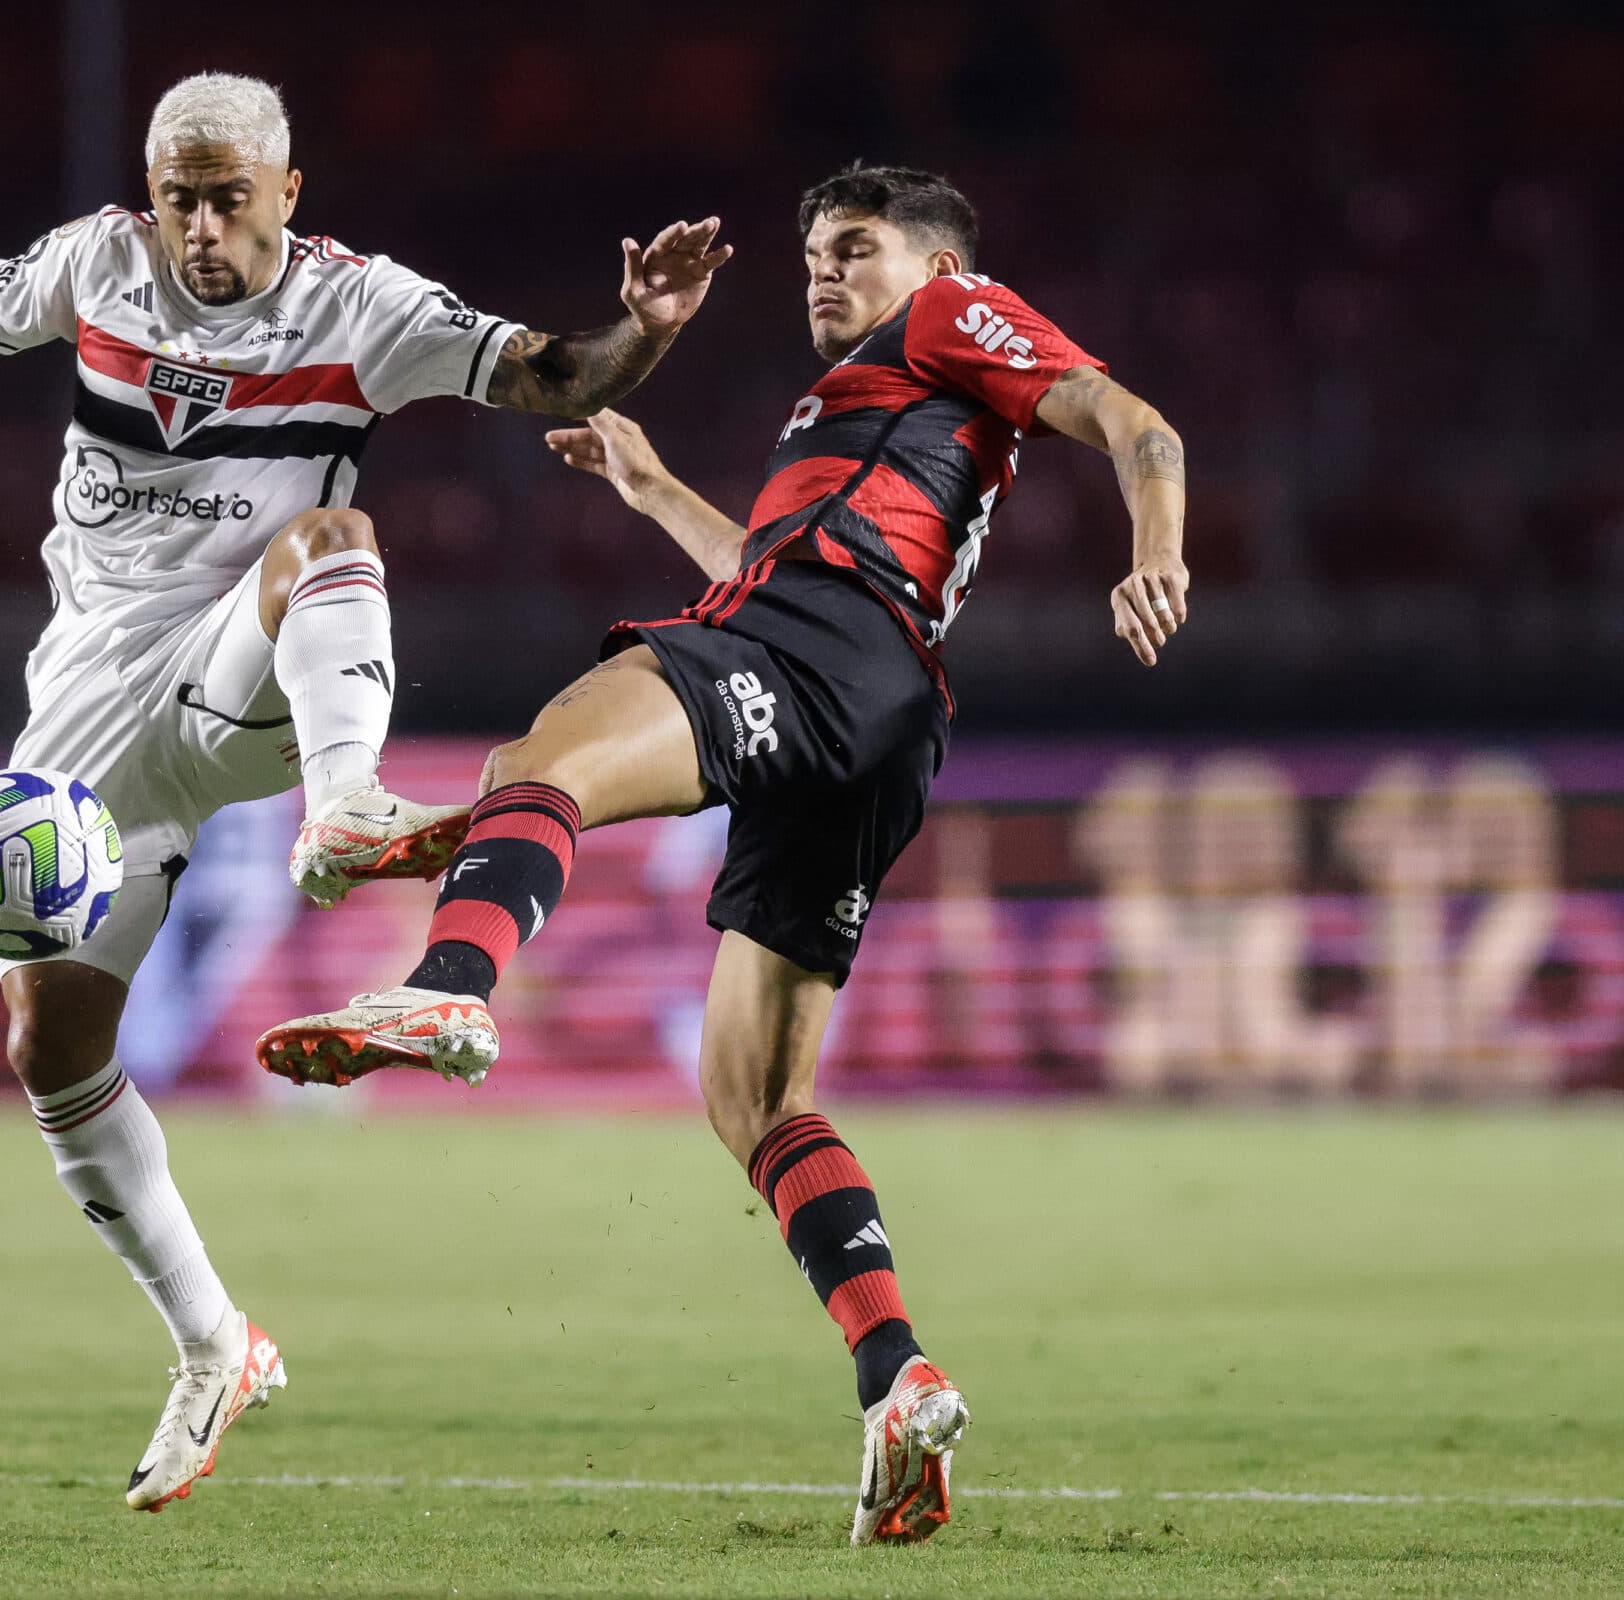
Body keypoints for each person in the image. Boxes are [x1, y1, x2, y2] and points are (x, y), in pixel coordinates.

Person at [0, 73, 730, 1512]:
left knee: (331, 530)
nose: (206, 226)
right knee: (50, 1056)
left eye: (234, 198)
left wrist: (642, 335)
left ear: (290, 192)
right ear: (152, 194)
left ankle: (346, 803)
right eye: (184, 198)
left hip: (258, 669)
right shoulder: (98, 262)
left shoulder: (363, 306)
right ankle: (214, 1346)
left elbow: (550, 372)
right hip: (92, 717)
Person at [253, 163, 1190, 1546]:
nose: (824, 270)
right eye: (813, 250)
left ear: (931, 263)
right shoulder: (868, 404)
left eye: (855, 247)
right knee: (755, 1096)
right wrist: (651, 486)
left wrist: (1154, 552)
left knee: (541, 763)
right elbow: (765, 568)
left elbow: (1134, 423)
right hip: (874, 710)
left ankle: (452, 977)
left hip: (826, 653)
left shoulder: (950, 317)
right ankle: (897, 1378)